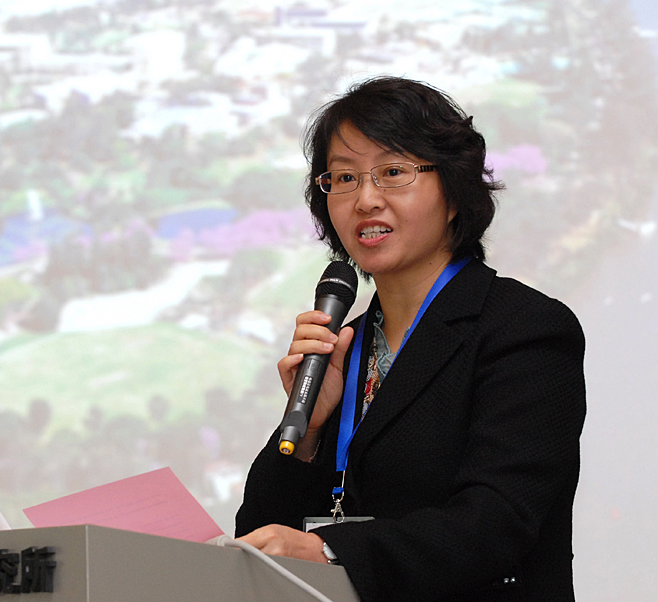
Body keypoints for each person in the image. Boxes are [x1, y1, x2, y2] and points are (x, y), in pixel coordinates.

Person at [234, 76, 586, 602]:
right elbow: (259, 539)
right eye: (344, 178)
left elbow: (497, 522)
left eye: (393, 172)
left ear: (454, 191)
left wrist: (330, 551)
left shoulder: (525, 328)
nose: (365, 199)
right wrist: (307, 436)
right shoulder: (342, 347)